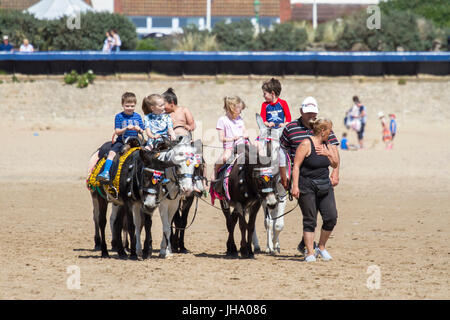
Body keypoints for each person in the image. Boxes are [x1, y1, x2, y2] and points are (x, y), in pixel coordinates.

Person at [280, 96, 340, 254]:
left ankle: (312, 245)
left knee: (329, 215)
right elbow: (282, 153)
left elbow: (334, 152)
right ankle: (309, 248)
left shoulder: (325, 128)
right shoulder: (291, 128)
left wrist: (336, 172)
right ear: (301, 112)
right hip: (302, 178)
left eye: (313, 112)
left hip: (322, 178)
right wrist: (285, 177)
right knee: (310, 216)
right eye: (308, 113)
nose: (311, 116)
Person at [291, 118, 339, 262]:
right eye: (330, 129)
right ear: (323, 131)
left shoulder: (328, 145)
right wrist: (295, 185)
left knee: (331, 217)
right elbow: (296, 166)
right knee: (310, 220)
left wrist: (328, 154)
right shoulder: (306, 143)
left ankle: (321, 247)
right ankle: (310, 252)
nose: (331, 132)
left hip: (325, 185)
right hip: (307, 185)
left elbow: (335, 163)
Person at [97, 92, 145, 183]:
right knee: (111, 153)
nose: (130, 108)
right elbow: (117, 131)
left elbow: (142, 131)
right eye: (127, 106)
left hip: (135, 141)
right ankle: (106, 172)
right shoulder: (119, 116)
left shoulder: (138, 116)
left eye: (132, 106)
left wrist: (139, 129)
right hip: (122, 141)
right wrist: (126, 128)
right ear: (122, 105)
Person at [211, 96, 250, 182]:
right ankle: (215, 170)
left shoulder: (240, 119)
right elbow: (221, 138)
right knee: (225, 158)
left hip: (242, 145)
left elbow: (244, 130)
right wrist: (232, 139)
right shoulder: (222, 120)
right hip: (230, 147)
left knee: (254, 154)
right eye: (239, 109)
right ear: (232, 108)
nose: (241, 111)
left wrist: (246, 134)